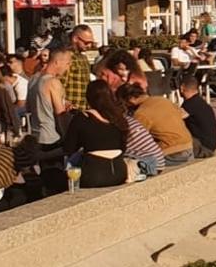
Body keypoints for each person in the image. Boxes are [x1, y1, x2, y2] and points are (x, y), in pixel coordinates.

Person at [62, 81, 135, 187]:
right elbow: (122, 147)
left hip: (94, 175)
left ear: (88, 97)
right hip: (120, 172)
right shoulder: (118, 118)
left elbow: (69, 148)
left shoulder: (82, 118)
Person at [26, 46, 72, 192]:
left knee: (45, 175)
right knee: (55, 179)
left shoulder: (33, 79)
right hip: (51, 136)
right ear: (57, 62)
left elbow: (29, 107)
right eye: (68, 63)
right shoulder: (53, 82)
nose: (68, 67)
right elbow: (60, 113)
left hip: (37, 133)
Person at [123, 83, 194, 166]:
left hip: (171, 153)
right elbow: (183, 115)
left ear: (130, 99)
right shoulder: (164, 100)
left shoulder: (141, 113)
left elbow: (135, 138)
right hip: (189, 147)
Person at [176, 76, 216, 158]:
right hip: (210, 145)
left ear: (182, 88)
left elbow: (175, 119)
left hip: (202, 147)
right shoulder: (200, 102)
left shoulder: (189, 104)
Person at [63, 24, 97, 109]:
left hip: (84, 108)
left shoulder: (84, 58)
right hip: (71, 110)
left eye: (91, 43)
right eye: (86, 42)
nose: (89, 46)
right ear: (75, 39)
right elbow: (60, 85)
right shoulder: (66, 57)